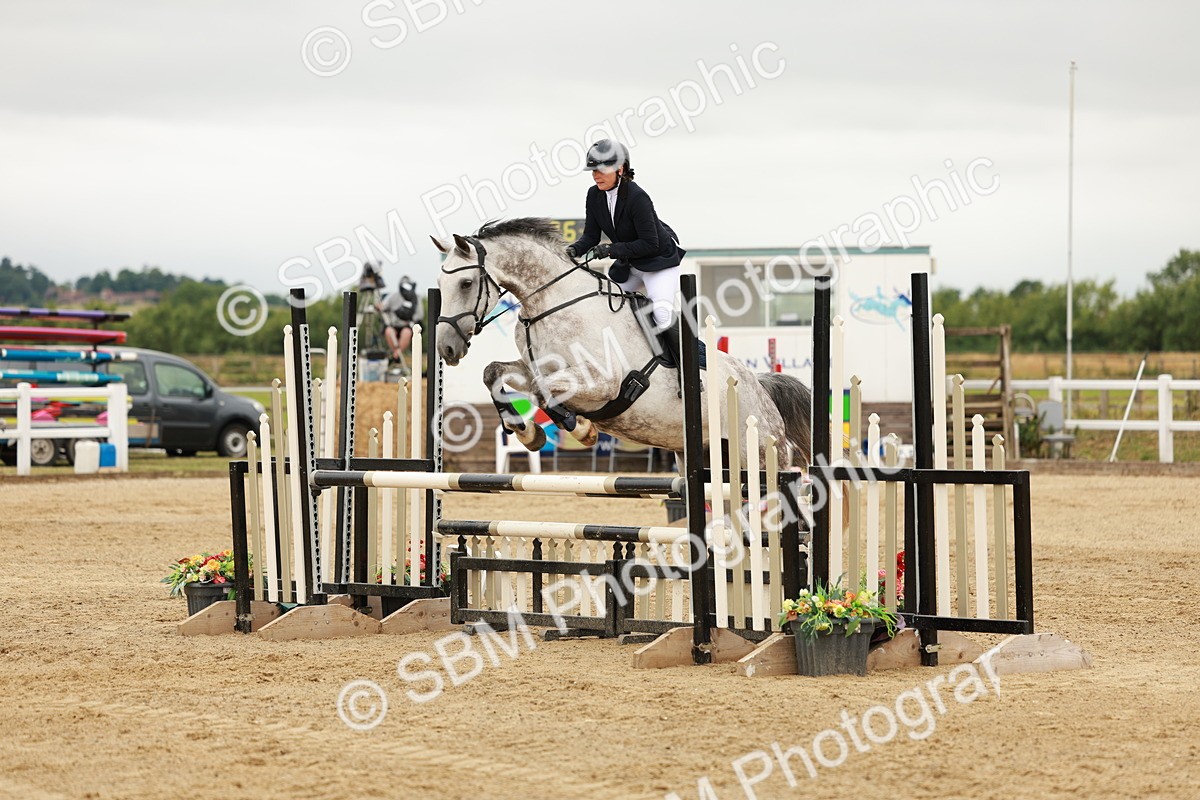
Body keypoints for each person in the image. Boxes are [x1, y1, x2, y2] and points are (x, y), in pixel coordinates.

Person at [565, 139, 702, 369]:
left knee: (662, 315)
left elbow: (650, 243)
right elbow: (590, 237)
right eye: (593, 171)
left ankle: (690, 370)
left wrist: (611, 250)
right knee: (602, 305)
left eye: (602, 170)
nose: (596, 175)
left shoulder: (638, 197)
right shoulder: (594, 195)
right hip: (630, 267)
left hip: (659, 263)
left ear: (621, 169)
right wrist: (571, 251)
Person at [377, 274, 420, 366]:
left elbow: (419, 315)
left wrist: (410, 321)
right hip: (394, 325)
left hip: (407, 326)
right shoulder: (393, 296)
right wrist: (379, 306)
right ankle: (397, 355)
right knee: (389, 331)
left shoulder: (415, 297)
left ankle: (395, 356)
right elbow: (383, 307)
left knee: (406, 332)